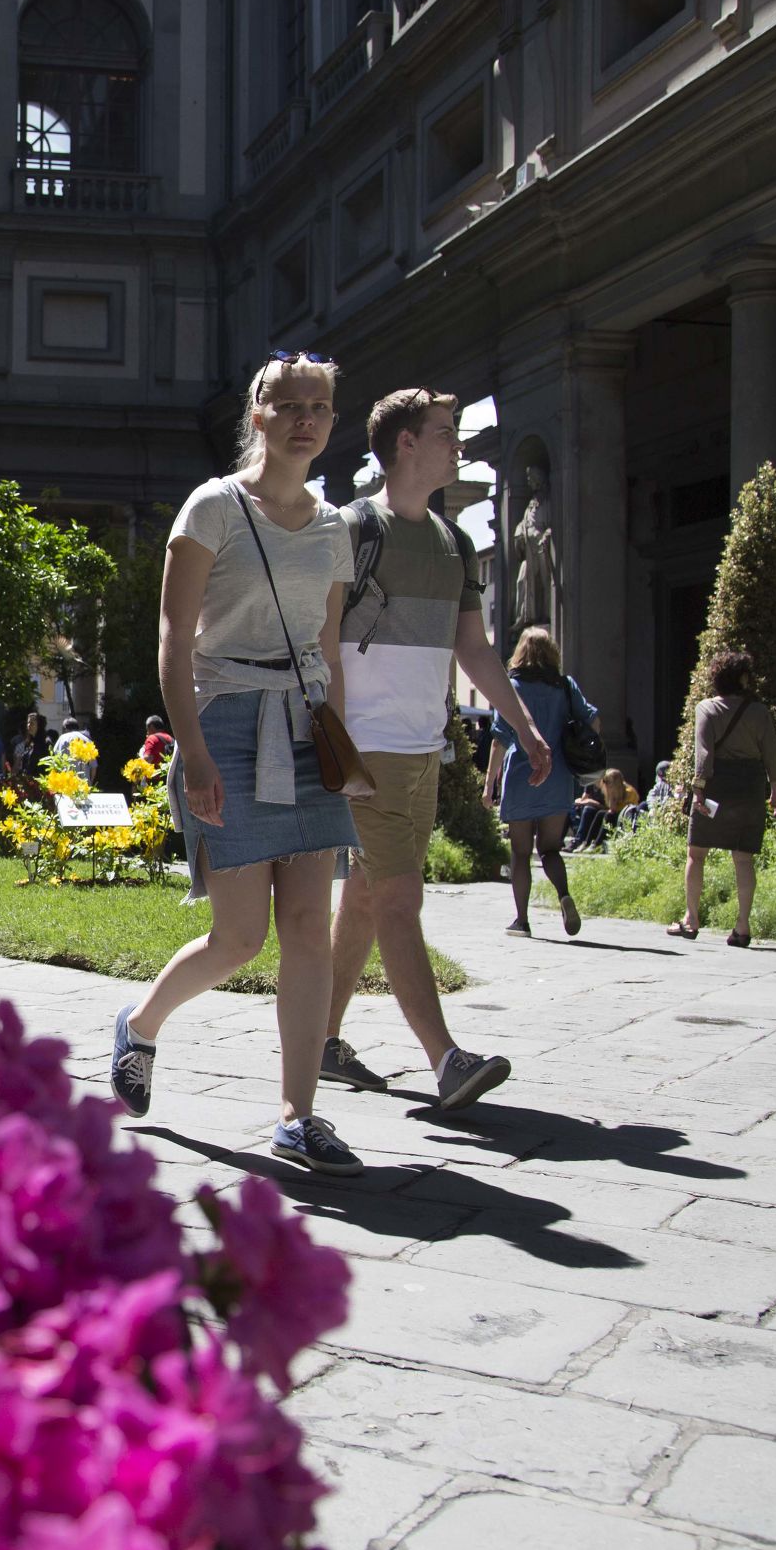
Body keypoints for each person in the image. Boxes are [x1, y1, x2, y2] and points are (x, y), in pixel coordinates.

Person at [105, 351, 363, 1173]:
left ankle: (297, 1115)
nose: (304, 421)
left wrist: (341, 746)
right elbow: (173, 640)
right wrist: (194, 749)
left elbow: (328, 647)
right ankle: (140, 1026)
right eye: (288, 406)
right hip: (227, 723)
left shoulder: (332, 527)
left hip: (305, 726)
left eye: (317, 407)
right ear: (257, 416)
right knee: (240, 938)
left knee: (308, 933)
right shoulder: (212, 507)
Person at [322, 387, 552, 1110]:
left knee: (363, 898)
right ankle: (445, 1060)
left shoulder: (454, 543)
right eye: (447, 432)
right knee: (396, 897)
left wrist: (520, 722)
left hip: (424, 749)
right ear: (405, 445)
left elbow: (474, 649)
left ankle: (319, 1043)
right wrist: (336, 750)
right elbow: (320, 643)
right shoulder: (351, 530)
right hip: (369, 748)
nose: (460, 444)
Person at [482, 625, 590, 939]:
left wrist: (489, 784)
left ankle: (522, 920)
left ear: (521, 652)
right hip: (558, 776)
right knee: (550, 849)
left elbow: (499, 739)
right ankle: (564, 895)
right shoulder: (566, 686)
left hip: (520, 775)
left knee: (520, 852)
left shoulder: (511, 687)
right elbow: (592, 719)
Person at [671, 650, 776, 947]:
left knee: (696, 854)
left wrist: (699, 789)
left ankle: (691, 919)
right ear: (744, 679)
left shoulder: (706, 708)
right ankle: (742, 927)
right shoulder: (759, 711)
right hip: (750, 785)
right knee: (743, 858)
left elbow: (704, 755)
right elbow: (771, 752)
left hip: (716, 787)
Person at [565, 767, 637, 852]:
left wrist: (612, 799)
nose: (604, 783)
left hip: (625, 818)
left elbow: (624, 809)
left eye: (607, 781)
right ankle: (586, 843)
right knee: (600, 813)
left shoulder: (629, 792)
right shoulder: (608, 790)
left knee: (608, 815)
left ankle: (596, 844)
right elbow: (609, 807)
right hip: (614, 813)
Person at [51, 716, 96, 784]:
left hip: (66, 784)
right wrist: (91, 782)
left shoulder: (62, 738)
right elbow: (94, 766)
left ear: (65, 729)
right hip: (84, 785)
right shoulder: (87, 740)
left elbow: (55, 762)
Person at [16, 711, 52, 779]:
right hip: (28, 782)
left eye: (32, 723)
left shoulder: (46, 742)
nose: (29, 725)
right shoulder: (29, 743)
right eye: (28, 723)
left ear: (39, 725)